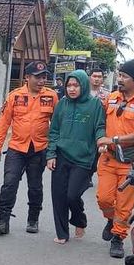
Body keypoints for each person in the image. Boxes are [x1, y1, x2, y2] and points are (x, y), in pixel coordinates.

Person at [96, 59, 134, 258]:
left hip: (131, 163)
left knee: (124, 204)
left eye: (124, 76)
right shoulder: (112, 98)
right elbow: (99, 121)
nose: (119, 79)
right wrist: (101, 140)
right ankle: (111, 219)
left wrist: (113, 139)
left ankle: (118, 238)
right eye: (119, 75)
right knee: (103, 198)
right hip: (108, 158)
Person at [0, 61, 59, 234]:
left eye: (44, 77)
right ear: (27, 77)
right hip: (16, 148)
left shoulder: (51, 97)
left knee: (35, 186)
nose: (41, 80)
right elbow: (4, 123)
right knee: (9, 184)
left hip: (39, 149)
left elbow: (57, 126)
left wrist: (54, 151)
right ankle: (3, 220)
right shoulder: (15, 96)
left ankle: (33, 219)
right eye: (37, 77)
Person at [46, 70, 106, 244]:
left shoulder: (95, 105)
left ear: (83, 85)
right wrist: (50, 154)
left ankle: (79, 220)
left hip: (84, 157)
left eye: (76, 85)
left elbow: (99, 126)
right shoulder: (62, 104)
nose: (72, 89)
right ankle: (62, 233)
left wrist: (101, 141)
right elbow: (54, 130)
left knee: (72, 195)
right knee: (58, 196)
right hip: (61, 154)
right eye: (69, 85)